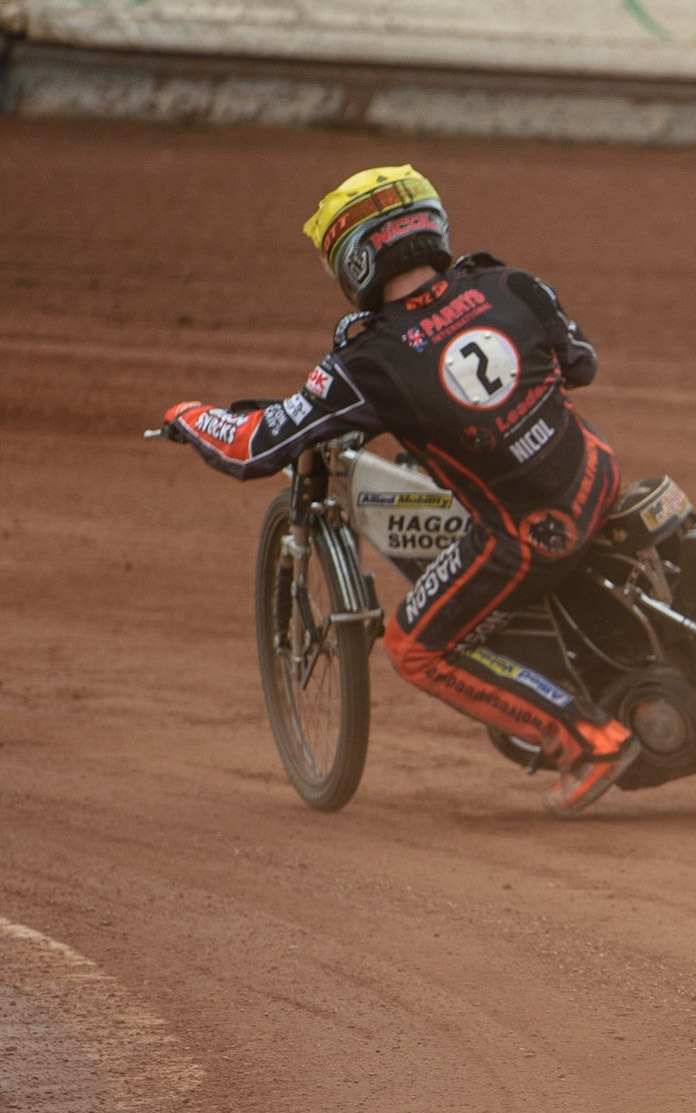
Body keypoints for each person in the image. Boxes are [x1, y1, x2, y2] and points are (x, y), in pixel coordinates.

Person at [156, 165, 639, 816]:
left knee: (415, 646)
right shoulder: (507, 282)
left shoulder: (369, 363)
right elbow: (580, 363)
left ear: (355, 260)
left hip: (530, 532)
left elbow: (257, 447)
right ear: (431, 226)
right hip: (597, 472)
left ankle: (587, 738)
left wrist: (188, 415)